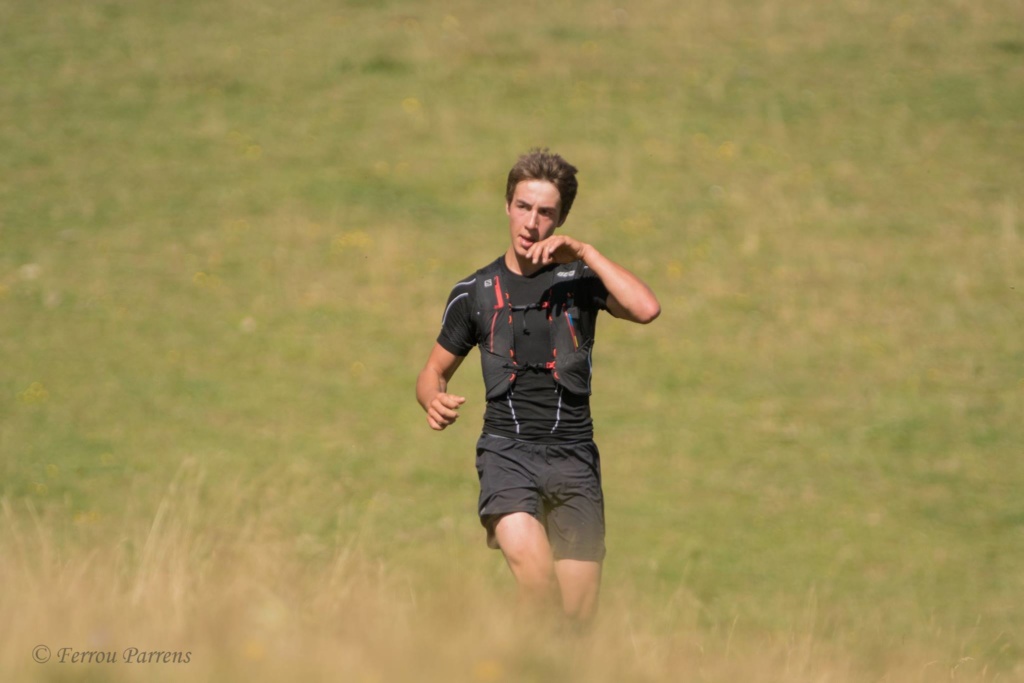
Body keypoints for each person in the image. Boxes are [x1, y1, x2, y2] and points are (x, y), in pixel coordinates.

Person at [415, 149, 660, 625]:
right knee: (537, 580)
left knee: (575, 623)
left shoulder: (581, 281)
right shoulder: (475, 293)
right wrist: (433, 398)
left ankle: (522, 659)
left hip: (575, 459)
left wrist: (586, 253)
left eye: (545, 212)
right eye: (523, 207)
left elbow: (646, 308)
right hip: (507, 455)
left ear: (561, 219)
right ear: (507, 206)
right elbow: (432, 372)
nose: (531, 222)